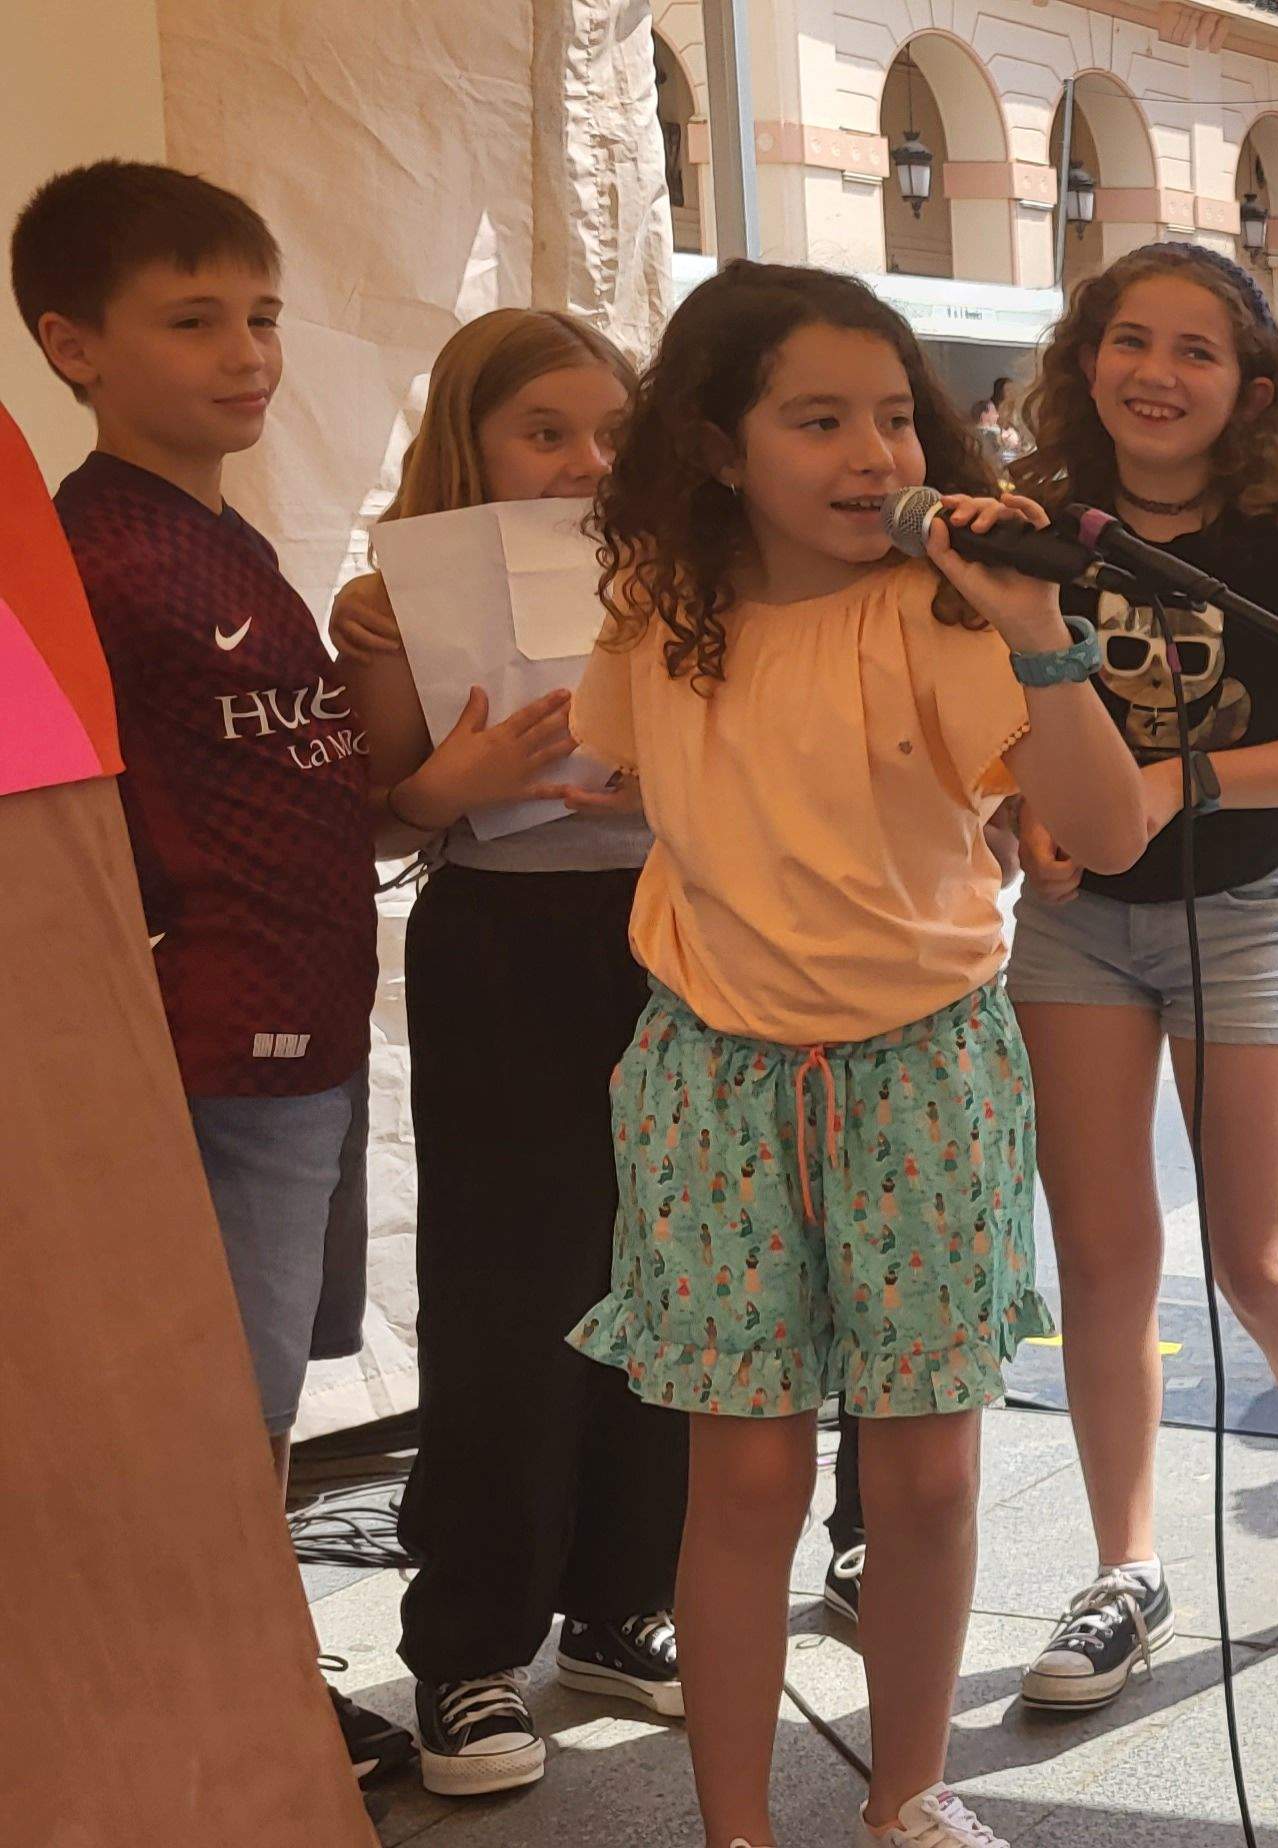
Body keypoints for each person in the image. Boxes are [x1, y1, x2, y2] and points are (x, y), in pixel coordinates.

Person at [567, 260, 1154, 1848]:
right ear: (711, 447)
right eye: (817, 420)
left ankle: (908, 1797)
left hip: (926, 1072)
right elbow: (624, 776)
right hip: (715, 1079)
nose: (874, 455)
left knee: (929, 1482)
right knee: (744, 1488)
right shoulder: (657, 612)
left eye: (895, 418)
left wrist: (1034, 625)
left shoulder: (944, 613)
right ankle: (737, 1827)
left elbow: (1103, 827)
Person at [14, 158, 423, 1785]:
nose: (247, 353)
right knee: (218, 1400)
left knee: (256, 1390)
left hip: (315, 1028)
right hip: (214, 1044)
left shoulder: (225, 532)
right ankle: (242, 1703)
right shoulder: (89, 559)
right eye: (193, 321)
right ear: (73, 344)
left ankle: (258, 1664)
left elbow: (302, 773)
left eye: (258, 315)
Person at [996, 241, 1278, 1703]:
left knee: (1263, 1259)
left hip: (1245, 913)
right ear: (1085, 358)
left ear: (1247, 385)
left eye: (1193, 350)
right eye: (1130, 340)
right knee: (1103, 1262)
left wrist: (1180, 779)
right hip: (1072, 929)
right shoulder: (1034, 525)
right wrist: (1024, 814)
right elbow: (983, 714)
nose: (1155, 373)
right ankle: (1125, 1568)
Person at [328, 307, 690, 1797]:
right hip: (500, 950)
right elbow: (373, 818)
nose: (585, 463)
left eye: (611, 433)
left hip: (675, 944)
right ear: (468, 440)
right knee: (507, 1294)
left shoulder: (681, 572)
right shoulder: (394, 596)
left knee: (671, 1281)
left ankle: (621, 1602)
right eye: (547, 431)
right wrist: (443, 779)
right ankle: (468, 1653)